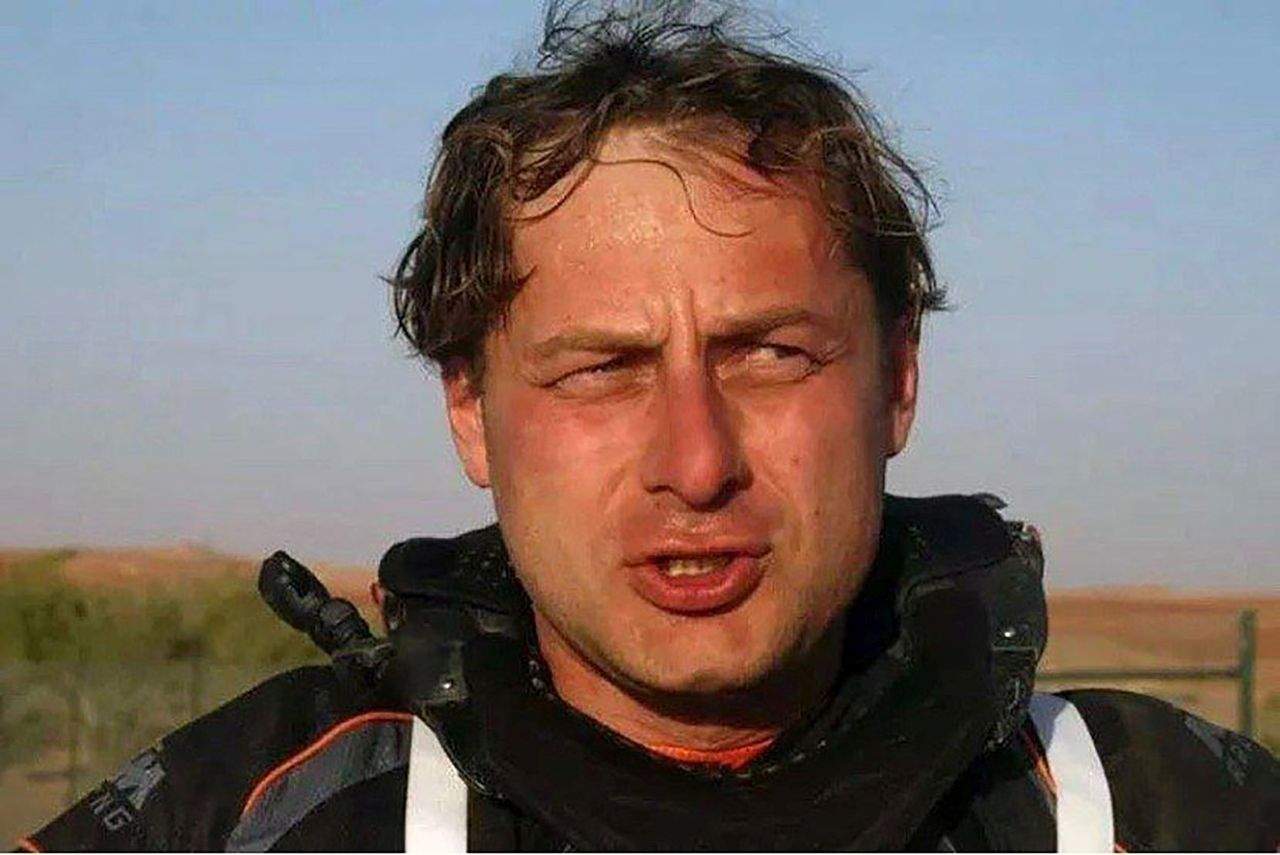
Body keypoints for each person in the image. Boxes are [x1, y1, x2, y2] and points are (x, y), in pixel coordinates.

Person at [19, 3, 1277, 851]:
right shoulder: (257, 815)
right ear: (470, 412)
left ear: (897, 378)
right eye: (600, 370)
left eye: (770, 355)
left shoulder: (1156, 812)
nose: (695, 462)